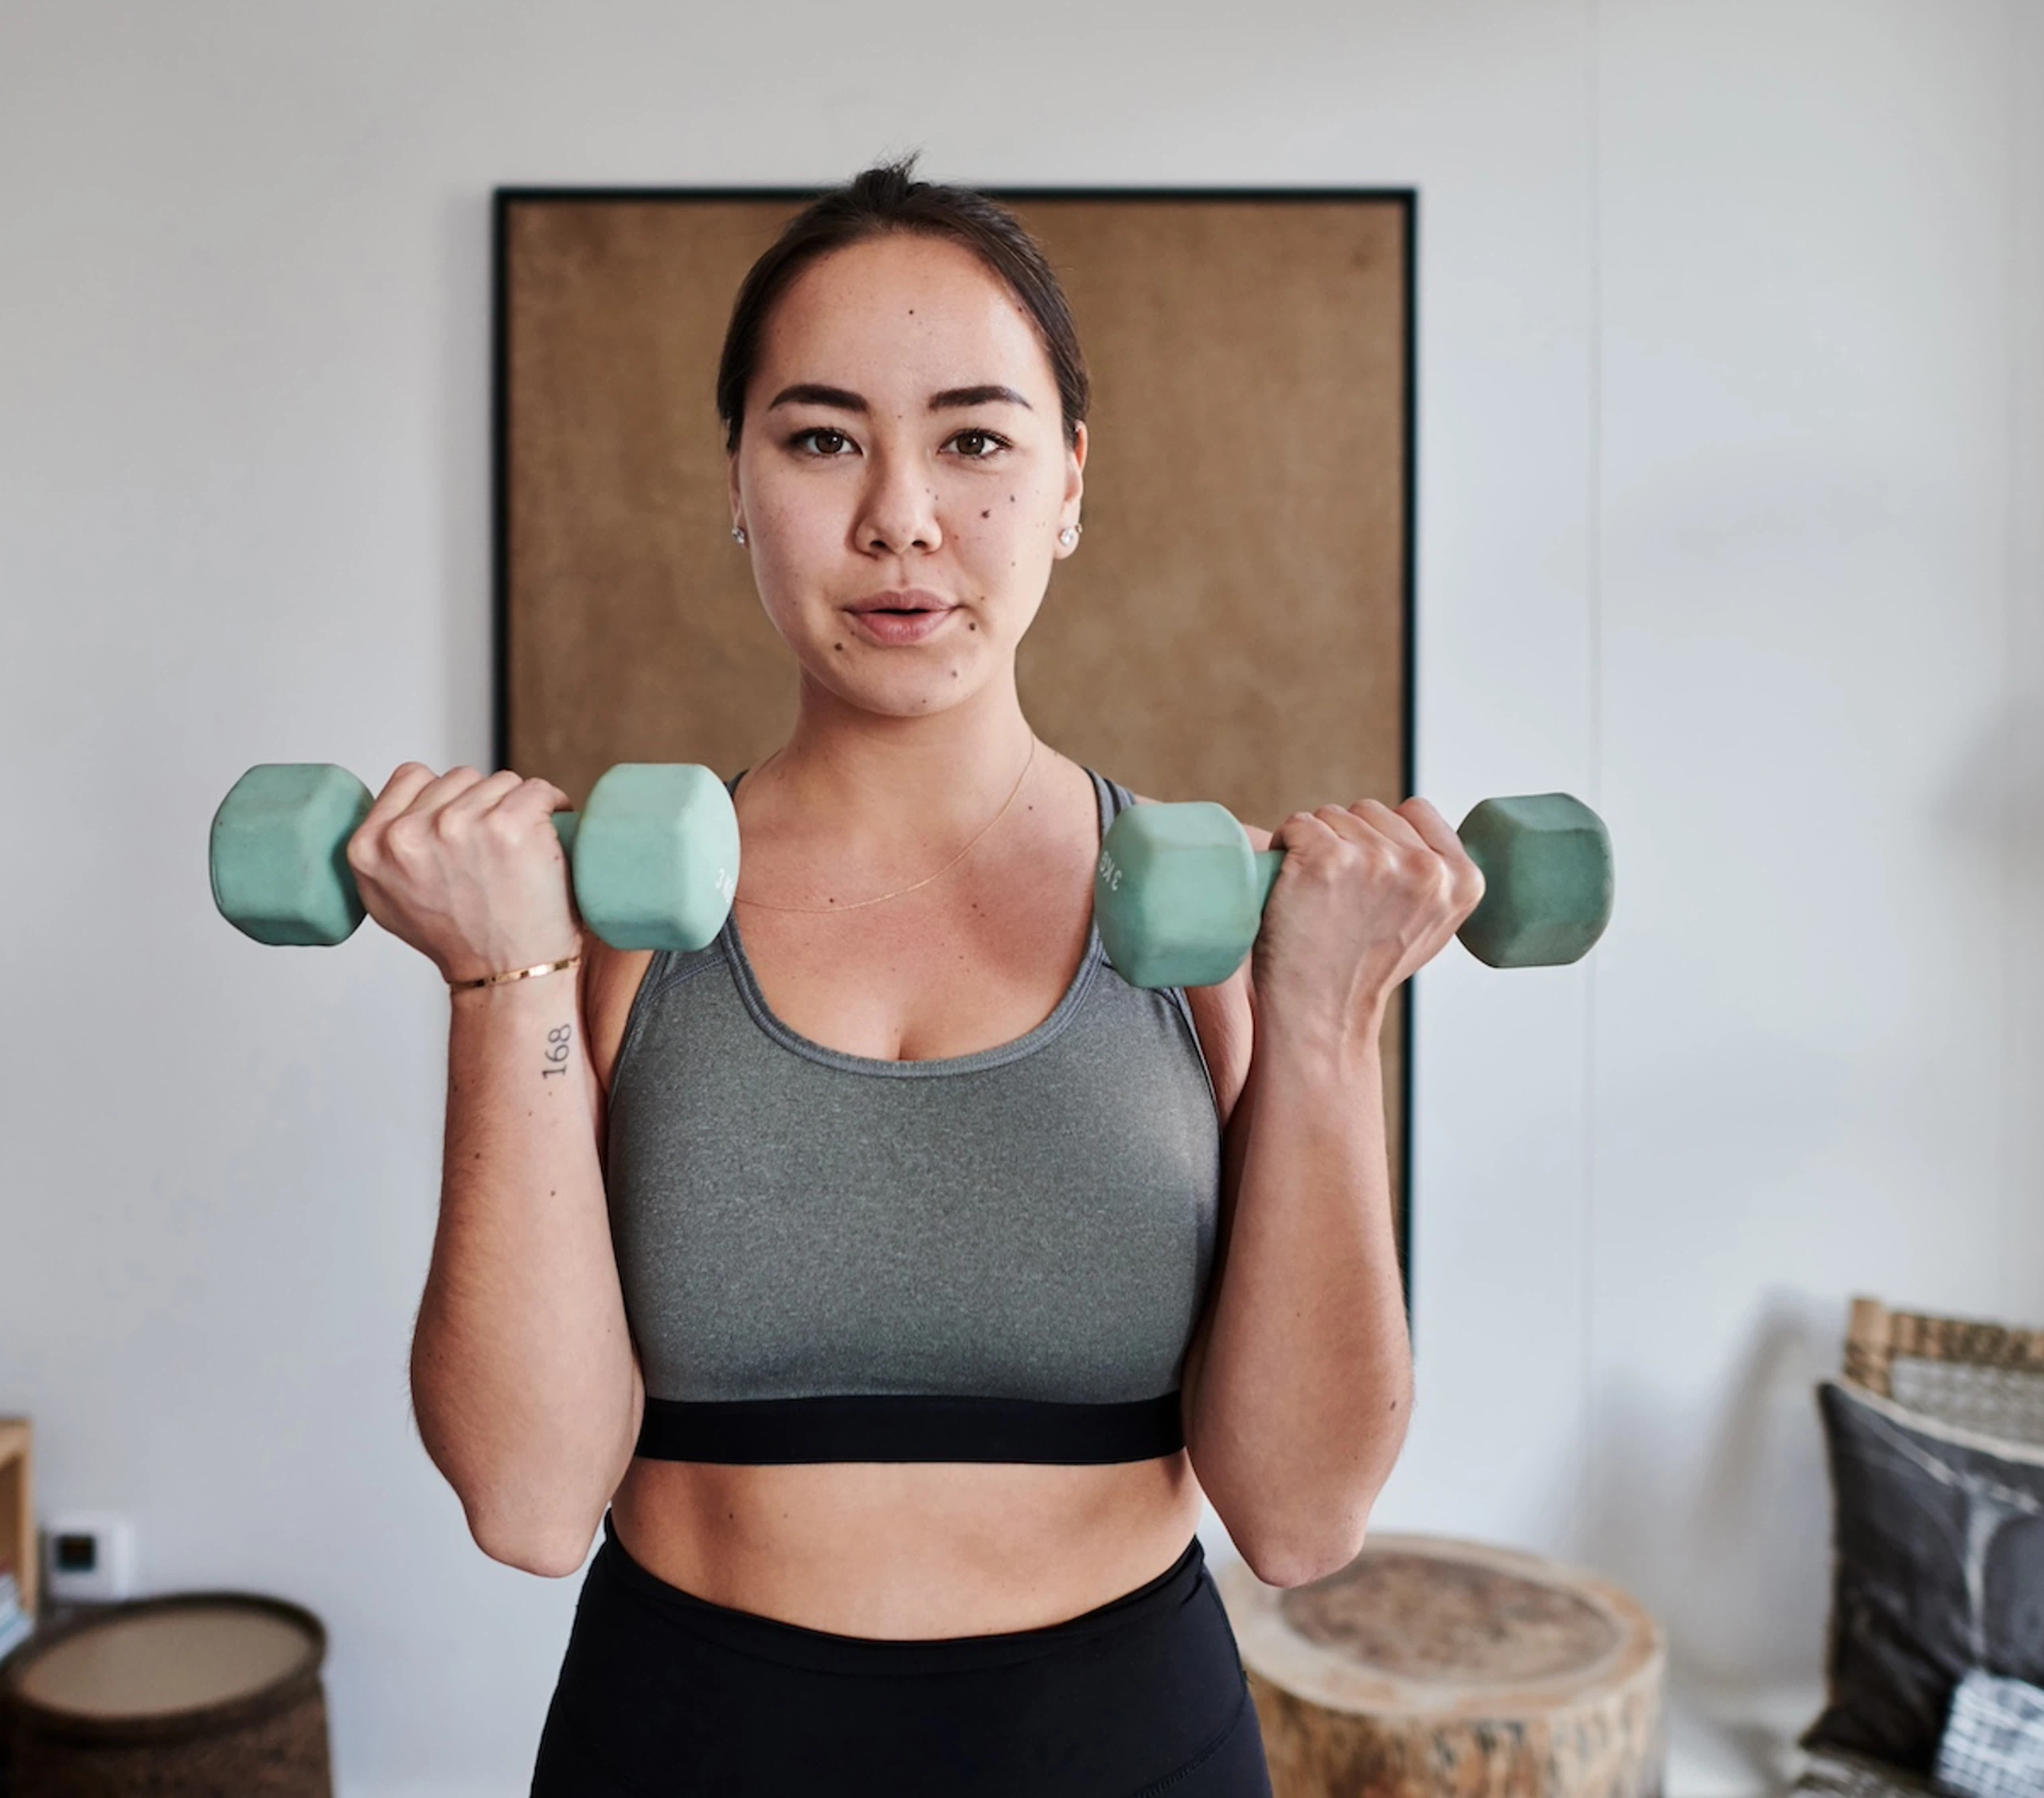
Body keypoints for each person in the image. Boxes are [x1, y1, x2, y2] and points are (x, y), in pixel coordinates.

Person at [348, 163, 1483, 1795]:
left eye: (975, 438)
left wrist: (1326, 1017)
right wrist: (493, 977)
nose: (900, 514)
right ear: (737, 477)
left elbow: (1300, 1515)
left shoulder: (1218, 921)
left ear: (1071, 482)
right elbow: (530, 1501)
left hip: (1125, 1743)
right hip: (688, 1738)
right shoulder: (595, 929)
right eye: (820, 437)